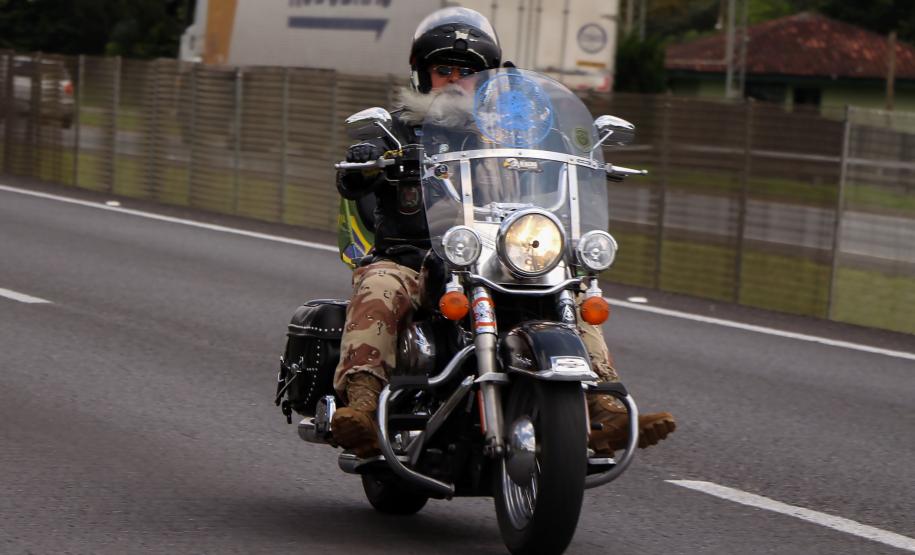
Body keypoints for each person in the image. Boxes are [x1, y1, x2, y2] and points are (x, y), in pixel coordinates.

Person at [330, 7, 676, 458]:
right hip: (417, 258)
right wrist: (364, 163)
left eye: (468, 71)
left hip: (504, 255)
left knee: (573, 286)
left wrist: (586, 157)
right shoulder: (398, 129)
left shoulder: (517, 131)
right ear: (422, 73)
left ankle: (604, 406)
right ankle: (362, 405)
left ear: (488, 77)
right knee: (379, 283)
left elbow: (559, 161)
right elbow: (356, 171)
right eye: (443, 70)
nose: (454, 79)